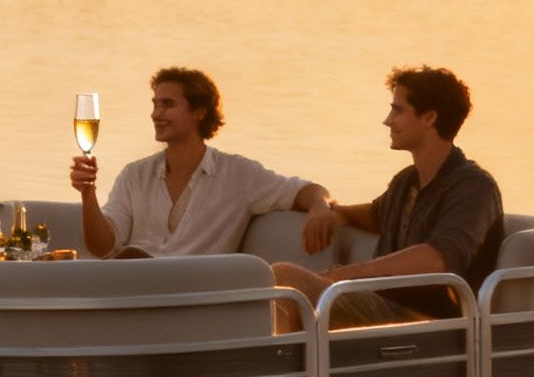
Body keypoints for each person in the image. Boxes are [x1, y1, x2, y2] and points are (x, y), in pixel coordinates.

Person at [272, 65, 505, 326]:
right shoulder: (406, 182)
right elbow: (377, 214)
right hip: (384, 309)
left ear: (429, 118)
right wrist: (335, 213)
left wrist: (349, 274)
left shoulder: (474, 187)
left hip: (430, 323)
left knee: (286, 277)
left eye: (397, 110)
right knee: (277, 281)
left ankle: (278, 365)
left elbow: (439, 257)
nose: (387, 120)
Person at [70, 66, 333, 258]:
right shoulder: (134, 175)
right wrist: (88, 193)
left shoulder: (238, 175)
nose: (156, 114)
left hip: (193, 295)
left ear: (198, 112)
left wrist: (320, 205)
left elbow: (303, 190)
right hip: (133, 288)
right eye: (155, 104)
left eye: (167, 104)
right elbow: (102, 247)